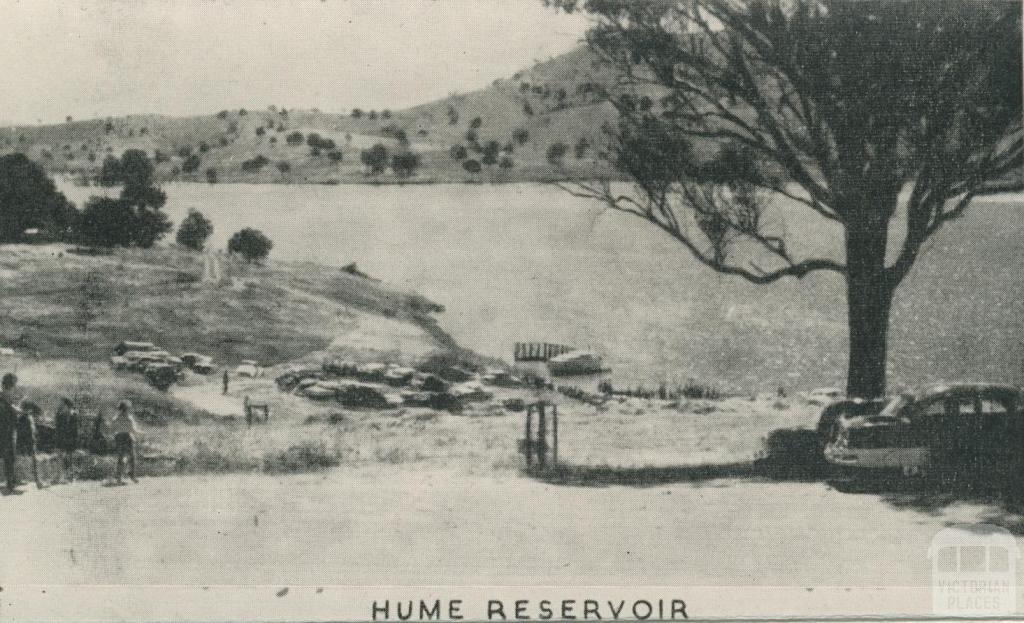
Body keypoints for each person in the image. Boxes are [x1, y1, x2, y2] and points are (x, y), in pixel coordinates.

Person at [16, 401, 44, 489]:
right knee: (32, 462)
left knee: (22, 461)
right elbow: (27, 432)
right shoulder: (26, 418)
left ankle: (21, 479)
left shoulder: (25, 418)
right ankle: (37, 481)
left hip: (26, 443)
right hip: (27, 443)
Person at [111, 400, 140, 484]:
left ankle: (119, 477)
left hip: (119, 437)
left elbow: (112, 429)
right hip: (128, 437)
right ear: (127, 409)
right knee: (132, 457)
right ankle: (132, 475)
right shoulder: (129, 418)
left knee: (121, 458)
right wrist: (142, 432)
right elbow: (133, 430)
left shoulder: (116, 418)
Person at [0, 373, 19, 492]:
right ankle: (11, 482)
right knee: (9, 458)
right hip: (5, 432)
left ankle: (11, 482)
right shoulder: (6, 397)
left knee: (9, 458)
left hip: (7, 431)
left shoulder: (5, 396)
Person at [54, 397, 80, 483]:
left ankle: (69, 476)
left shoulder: (73, 415)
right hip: (62, 438)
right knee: (61, 457)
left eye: (62, 404)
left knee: (69, 457)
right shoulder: (60, 415)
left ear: (66, 405)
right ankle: (61, 476)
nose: (60, 405)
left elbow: (75, 429)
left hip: (68, 439)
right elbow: (58, 427)